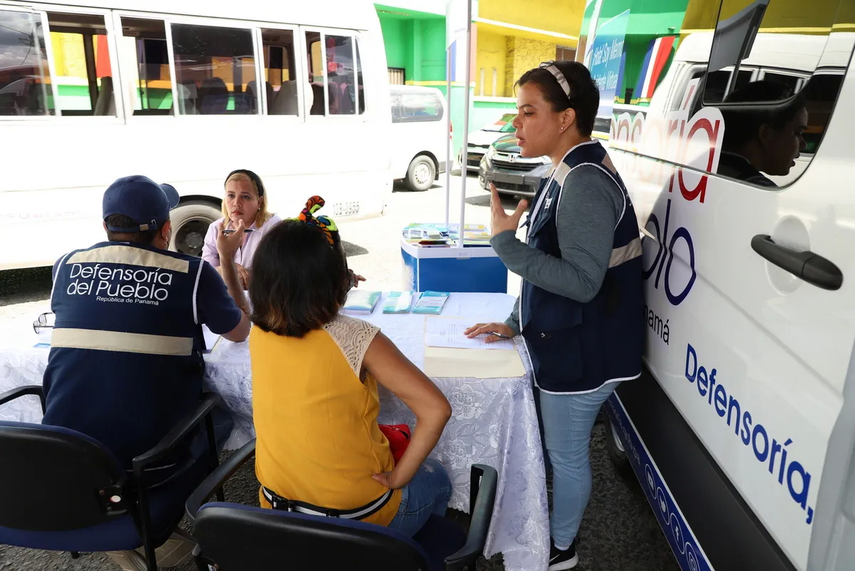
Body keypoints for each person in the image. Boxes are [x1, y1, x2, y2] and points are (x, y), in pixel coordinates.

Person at [465, 61, 644, 570]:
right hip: (568, 337)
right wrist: (517, 320)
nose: (515, 124)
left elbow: (583, 283)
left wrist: (504, 245)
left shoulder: (583, 180)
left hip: (585, 348)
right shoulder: (567, 166)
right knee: (558, 451)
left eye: (528, 112)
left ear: (565, 118)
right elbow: (554, 268)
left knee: (566, 457)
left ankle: (559, 550)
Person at [42, 175, 251, 570]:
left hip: (64, 456)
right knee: (220, 413)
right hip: (147, 467)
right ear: (167, 229)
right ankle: (166, 527)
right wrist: (226, 258)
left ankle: (118, 525)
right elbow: (240, 331)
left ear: (105, 227)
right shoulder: (191, 274)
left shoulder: (67, 265)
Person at [249, 211, 452, 537]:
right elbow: (436, 409)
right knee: (438, 477)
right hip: (357, 517)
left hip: (276, 509)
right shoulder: (356, 337)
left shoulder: (258, 333)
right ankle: (407, 555)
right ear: (335, 279)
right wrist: (397, 479)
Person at [201, 169, 282, 289]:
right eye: (231, 196)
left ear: (259, 202)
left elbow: (279, 273)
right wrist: (230, 267)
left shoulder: (273, 227)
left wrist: (226, 271)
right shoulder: (216, 228)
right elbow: (206, 271)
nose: (236, 203)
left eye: (245, 197)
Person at [717, 80, 808, 187]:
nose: (804, 145)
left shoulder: (703, 169)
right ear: (766, 134)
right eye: (798, 132)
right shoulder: (758, 188)